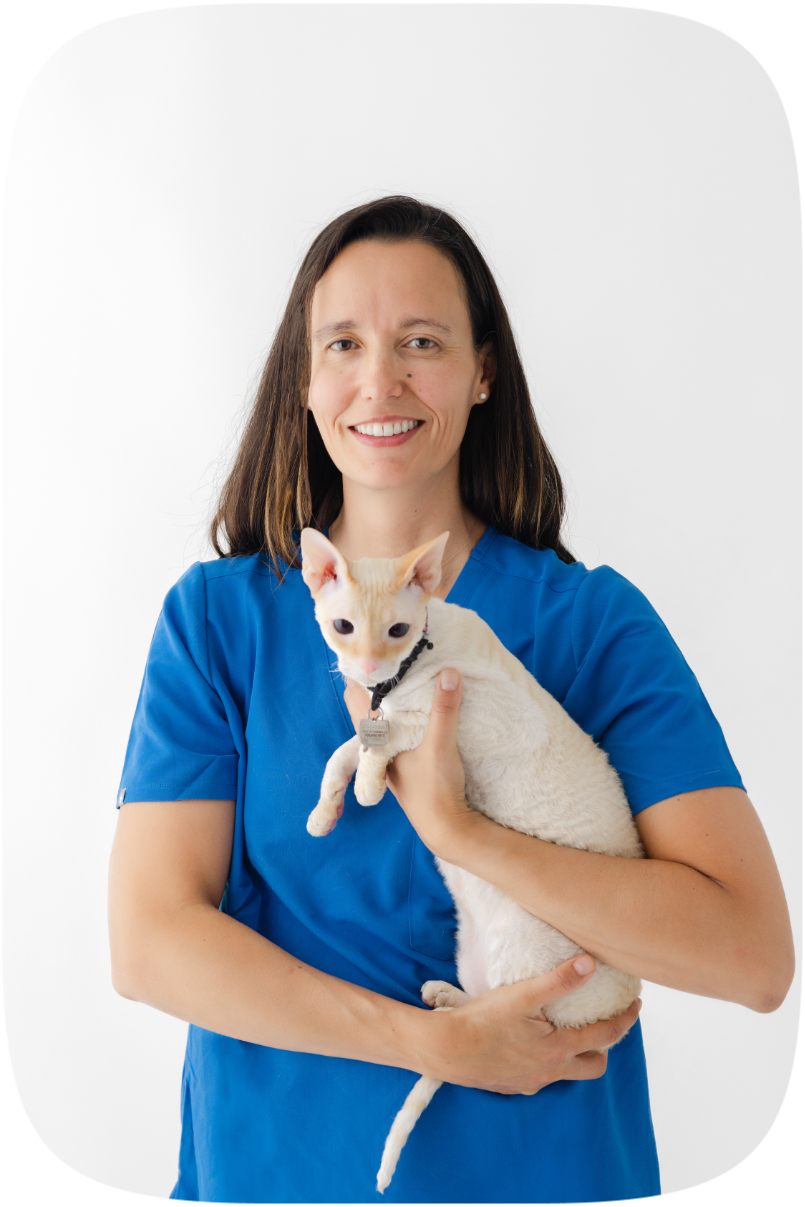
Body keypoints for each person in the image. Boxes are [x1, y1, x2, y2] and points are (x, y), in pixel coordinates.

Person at [108, 197, 794, 1204]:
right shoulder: (218, 623)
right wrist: (438, 1044)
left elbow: (751, 955)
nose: (379, 379)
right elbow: (149, 940)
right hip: (279, 1177)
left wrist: (465, 831)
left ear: (482, 372)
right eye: (342, 342)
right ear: (303, 379)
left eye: (420, 342)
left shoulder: (588, 627)